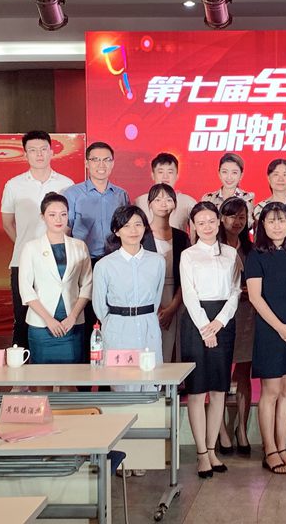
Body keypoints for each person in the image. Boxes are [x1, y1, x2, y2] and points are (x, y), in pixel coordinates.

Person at [246, 202, 286, 474]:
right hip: (271, 329)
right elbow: (255, 297)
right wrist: (280, 327)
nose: (277, 225)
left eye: (281, 220)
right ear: (262, 225)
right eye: (271, 221)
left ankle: (283, 448)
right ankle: (269, 449)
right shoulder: (256, 255)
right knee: (270, 392)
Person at [180, 202, 241, 478]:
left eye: (211, 221)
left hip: (224, 322)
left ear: (219, 223)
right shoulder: (188, 255)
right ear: (193, 226)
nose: (207, 226)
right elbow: (189, 294)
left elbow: (236, 291)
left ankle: (212, 449)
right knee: (197, 391)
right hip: (197, 323)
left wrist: (220, 322)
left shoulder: (231, 253)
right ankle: (201, 454)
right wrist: (206, 327)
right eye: (200, 222)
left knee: (218, 390)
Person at [1, 130, 74, 349]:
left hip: (59, 261)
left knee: (57, 314)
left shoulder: (66, 184)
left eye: (43, 149)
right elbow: (7, 223)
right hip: (22, 261)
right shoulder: (14, 185)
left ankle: (56, 363)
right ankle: (21, 369)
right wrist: (28, 249)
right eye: (32, 150)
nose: (39, 154)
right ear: (25, 154)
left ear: (52, 152)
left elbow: (70, 222)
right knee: (22, 317)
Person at [64, 141, 129, 361]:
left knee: (112, 313)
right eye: (95, 160)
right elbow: (66, 230)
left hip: (114, 262)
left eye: (106, 160)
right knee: (86, 315)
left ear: (113, 163)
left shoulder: (121, 195)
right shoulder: (73, 194)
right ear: (87, 163)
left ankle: (111, 366)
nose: (101, 165)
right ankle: (85, 370)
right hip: (85, 262)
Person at [92, 205, 165, 395]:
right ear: (116, 231)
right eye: (126, 226)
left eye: (138, 224)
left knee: (151, 386)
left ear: (145, 228)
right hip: (118, 329)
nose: (133, 230)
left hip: (148, 326)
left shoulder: (157, 261)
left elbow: (156, 298)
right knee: (122, 387)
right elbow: (99, 306)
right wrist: (115, 323)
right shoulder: (104, 265)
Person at [18, 192, 92, 365]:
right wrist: (48, 320)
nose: (58, 219)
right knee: (42, 377)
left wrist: (73, 317)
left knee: (72, 376)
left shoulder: (79, 246)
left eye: (63, 214)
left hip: (72, 322)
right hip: (42, 323)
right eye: (52, 215)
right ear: (42, 217)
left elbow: (87, 285)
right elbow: (26, 289)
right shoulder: (31, 248)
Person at [216, 197, 255, 456]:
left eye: (242, 217)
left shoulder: (252, 249)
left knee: (243, 373)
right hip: (219, 316)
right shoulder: (213, 247)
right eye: (231, 216)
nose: (237, 222)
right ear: (221, 218)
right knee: (219, 374)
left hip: (247, 315)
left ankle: (242, 429)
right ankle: (220, 431)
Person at [141, 184, 191, 364]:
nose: (163, 204)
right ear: (149, 204)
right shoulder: (141, 235)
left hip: (177, 297)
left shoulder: (182, 237)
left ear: (175, 205)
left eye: (169, 200)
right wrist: (158, 307)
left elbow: (186, 276)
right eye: (158, 200)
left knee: (175, 347)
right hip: (148, 298)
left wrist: (172, 308)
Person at [134, 152, 197, 236]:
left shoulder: (188, 202)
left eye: (170, 172)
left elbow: (195, 233)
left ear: (177, 176)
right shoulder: (140, 202)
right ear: (152, 175)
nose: (165, 176)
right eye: (160, 172)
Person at [200, 153, 255, 225]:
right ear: (219, 173)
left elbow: (248, 224)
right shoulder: (208, 198)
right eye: (224, 172)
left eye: (234, 172)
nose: (229, 177)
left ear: (241, 175)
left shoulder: (247, 198)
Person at [252, 159, 286, 223]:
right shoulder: (260, 208)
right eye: (276, 174)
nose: (280, 179)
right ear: (269, 178)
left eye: (285, 175)